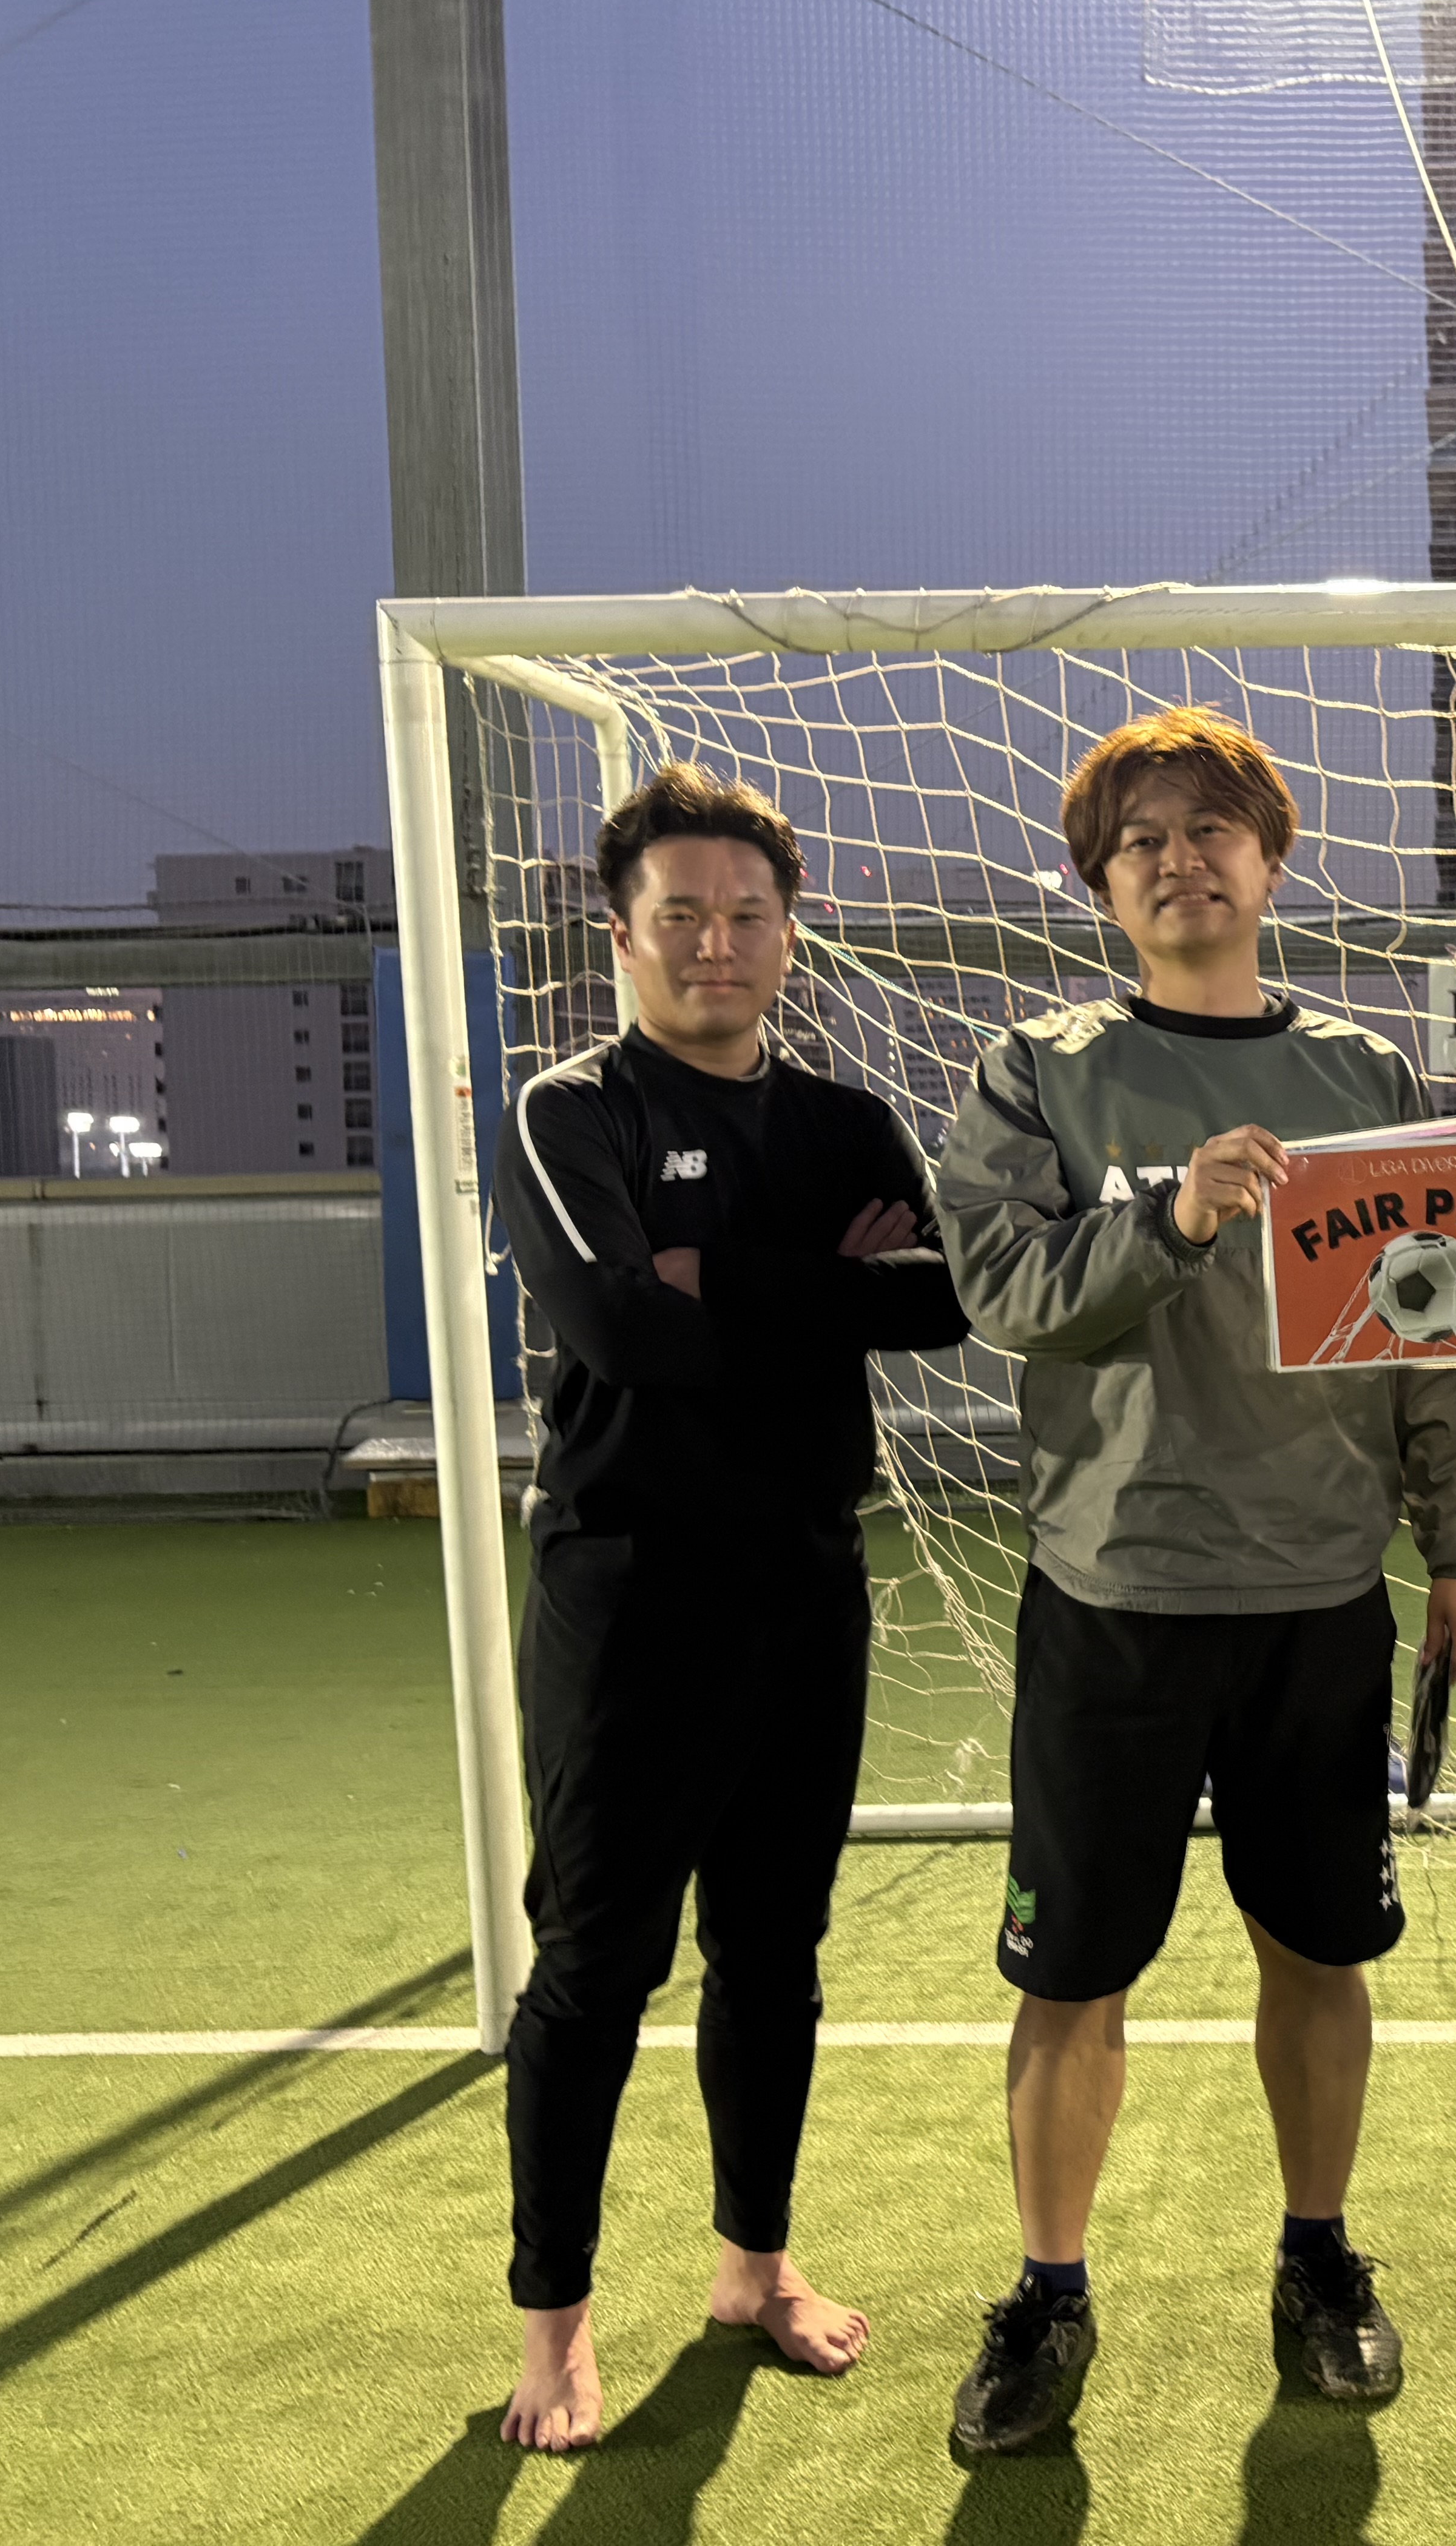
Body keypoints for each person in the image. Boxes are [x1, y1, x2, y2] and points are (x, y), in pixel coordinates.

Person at [934, 704, 1456, 2457]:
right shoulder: (1037, 1068)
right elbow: (1005, 1295)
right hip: (1111, 1593)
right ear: (1101, 884)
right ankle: (1049, 2289)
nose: (1180, 860)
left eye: (1211, 830)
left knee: (1318, 1949)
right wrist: (1174, 1219)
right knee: (1071, 1974)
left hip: (1318, 1595)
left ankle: (1319, 2256)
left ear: (1271, 857)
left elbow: (1437, 1324)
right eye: (1143, 841)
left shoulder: (1367, 1076)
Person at [488, 761, 969, 2451]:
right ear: (621, 934)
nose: (715, 941)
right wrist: (824, 1287)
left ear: (790, 926)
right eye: (681, 914)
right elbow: (622, 1329)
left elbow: (944, 1301)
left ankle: (753, 2267)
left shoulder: (842, 1120)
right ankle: (554, 2325)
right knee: (598, 1963)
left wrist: (732, 1278)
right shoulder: (569, 1113)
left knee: (775, 1949)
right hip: (628, 1592)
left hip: (806, 1581)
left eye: (746, 913)